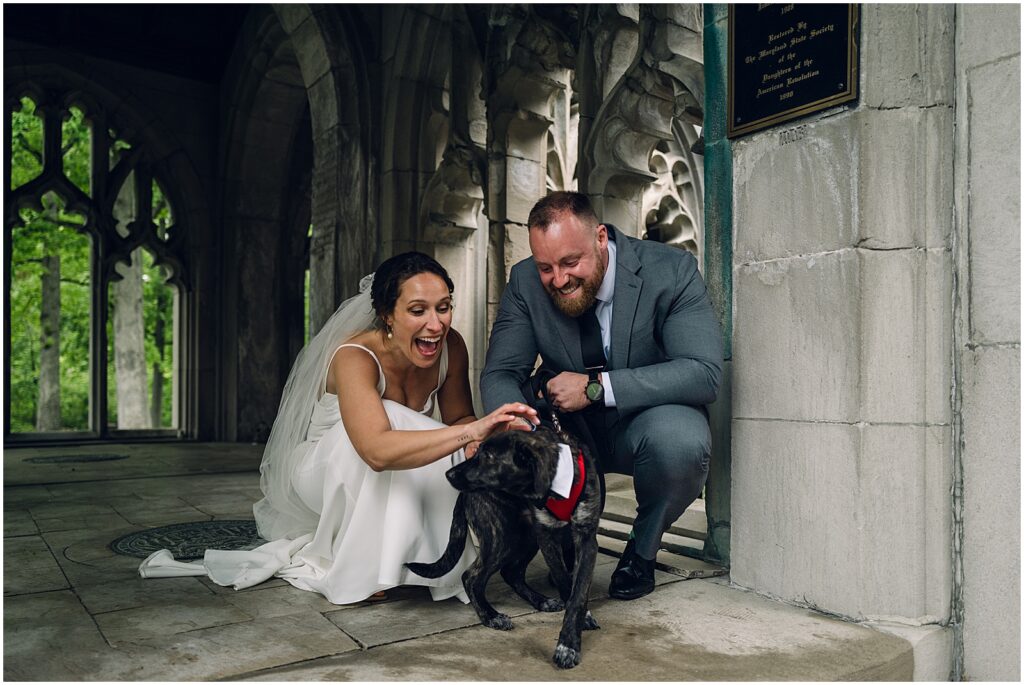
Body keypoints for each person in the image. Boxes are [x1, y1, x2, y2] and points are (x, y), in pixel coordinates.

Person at [140, 252, 538, 604]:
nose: (435, 324)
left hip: (389, 461)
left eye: (444, 307)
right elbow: (376, 451)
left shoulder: (452, 345)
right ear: (388, 314)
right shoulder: (354, 355)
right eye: (418, 310)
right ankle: (366, 569)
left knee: (432, 440)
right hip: (323, 469)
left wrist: (485, 437)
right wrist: (468, 434)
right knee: (394, 421)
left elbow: (459, 422)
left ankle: (419, 564)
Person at [480, 191, 723, 600]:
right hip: (564, 427)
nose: (558, 280)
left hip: (643, 422)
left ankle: (642, 551)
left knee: (681, 441)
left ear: (600, 238)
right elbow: (502, 372)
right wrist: (517, 427)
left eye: (570, 263)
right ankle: (561, 538)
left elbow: (703, 371)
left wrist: (596, 388)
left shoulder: (673, 271)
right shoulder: (524, 281)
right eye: (546, 267)